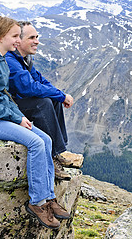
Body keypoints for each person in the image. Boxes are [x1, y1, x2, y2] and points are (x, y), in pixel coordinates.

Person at [0, 16, 70, 230]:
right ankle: (37, 202)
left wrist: (19, 118)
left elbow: (4, 96)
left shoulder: (0, 57)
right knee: (36, 143)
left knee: (46, 139)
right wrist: (15, 117)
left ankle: (48, 197)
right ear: (1, 37)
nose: (17, 40)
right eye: (15, 36)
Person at [5, 21, 83, 181]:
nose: (37, 41)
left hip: (17, 103)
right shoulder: (10, 60)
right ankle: (52, 159)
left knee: (53, 100)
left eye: (37, 37)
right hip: (8, 107)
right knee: (43, 103)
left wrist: (60, 95)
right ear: (19, 41)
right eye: (32, 37)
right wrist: (61, 96)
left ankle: (59, 151)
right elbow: (28, 87)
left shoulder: (23, 59)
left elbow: (39, 80)